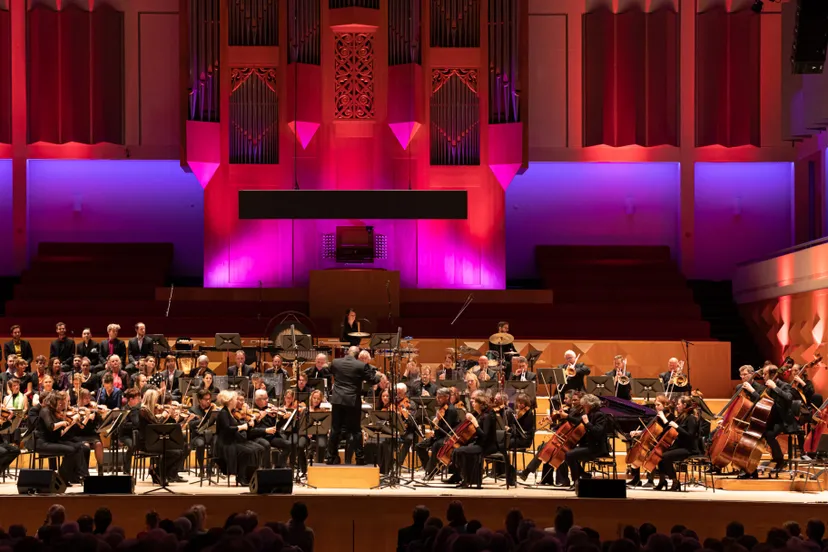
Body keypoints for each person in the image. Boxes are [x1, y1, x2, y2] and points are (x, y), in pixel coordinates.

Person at [325, 346, 381, 465]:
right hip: (352, 400)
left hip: (337, 399)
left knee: (335, 429)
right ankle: (360, 458)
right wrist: (378, 375)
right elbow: (372, 380)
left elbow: (327, 371)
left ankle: (330, 457)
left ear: (347, 353)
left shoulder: (336, 362)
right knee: (355, 430)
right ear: (357, 355)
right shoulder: (361, 365)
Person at [740, 364, 796, 477]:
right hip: (770, 419)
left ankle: (779, 460)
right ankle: (751, 469)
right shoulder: (766, 387)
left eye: (765, 374)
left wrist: (775, 387)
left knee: (768, 434)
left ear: (773, 375)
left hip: (783, 421)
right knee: (754, 434)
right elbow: (762, 401)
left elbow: (789, 399)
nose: (763, 376)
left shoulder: (783, 385)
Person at [137, 389, 187, 484]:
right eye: (155, 400)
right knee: (175, 453)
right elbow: (156, 426)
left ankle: (163, 474)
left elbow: (157, 424)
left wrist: (168, 416)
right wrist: (164, 416)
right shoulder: (143, 410)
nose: (157, 402)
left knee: (180, 450)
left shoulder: (148, 410)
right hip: (147, 442)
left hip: (154, 440)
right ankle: (158, 471)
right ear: (151, 399)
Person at [37, 392, 87, 485]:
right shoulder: (45, 411)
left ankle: (83, 476)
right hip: (43, 443)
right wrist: (62, 423)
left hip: (53, 440)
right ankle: (62, 478)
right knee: (71, 450)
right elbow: (51, 427)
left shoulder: (54, 412)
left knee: (79, 447)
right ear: (53, 402)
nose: (61, 406)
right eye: (59, 403)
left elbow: (60, 433)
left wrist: (70, 423)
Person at [564, 393, 609, 490]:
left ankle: (577, 482)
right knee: (568, 453)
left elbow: (597, 432)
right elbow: (577, 422)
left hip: (597, 448)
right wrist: (566, 417)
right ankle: (583, 475)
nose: (583, 407)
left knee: (569, 455)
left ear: (589, 405)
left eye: (584, 405)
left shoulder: (600, 415)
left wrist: (587, 423)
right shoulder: (588, 414)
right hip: (587, 446)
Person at [655, 395, 700, 491]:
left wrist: (677, 427)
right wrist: (667, 421)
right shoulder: (683, 417)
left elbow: (690, 436)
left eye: (679, 404)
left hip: (689, 449)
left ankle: (675, 482)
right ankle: (662, 481)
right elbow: (670, 428)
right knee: (660, 455)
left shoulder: (691, 418)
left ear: (684, 405)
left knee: (665, 456)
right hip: (680, 446)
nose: (677, 406)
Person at [214, 390, 259, 485]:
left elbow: (237, 424)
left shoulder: (230, 412)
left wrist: (248, 425)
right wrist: (241, 427)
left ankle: (249, 476)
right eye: (235, 399)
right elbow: (227, 429)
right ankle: (241, 477)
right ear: (230, 401)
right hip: (226, 444)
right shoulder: (223, 413)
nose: (236, 401)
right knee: (247, 451)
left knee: (256, 449)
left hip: (232, 440)